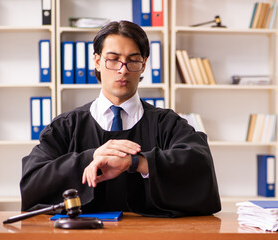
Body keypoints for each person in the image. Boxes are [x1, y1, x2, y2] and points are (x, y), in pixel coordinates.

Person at [20, 20, 221, 217]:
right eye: (113, 59)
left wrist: (137, 162)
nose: (123, 69)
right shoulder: (66, 127)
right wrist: (93, 157)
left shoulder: (167, 124)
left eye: (133, 60)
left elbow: (200, 165)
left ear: (143, 66)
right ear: (97, 61)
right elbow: (32, 183)